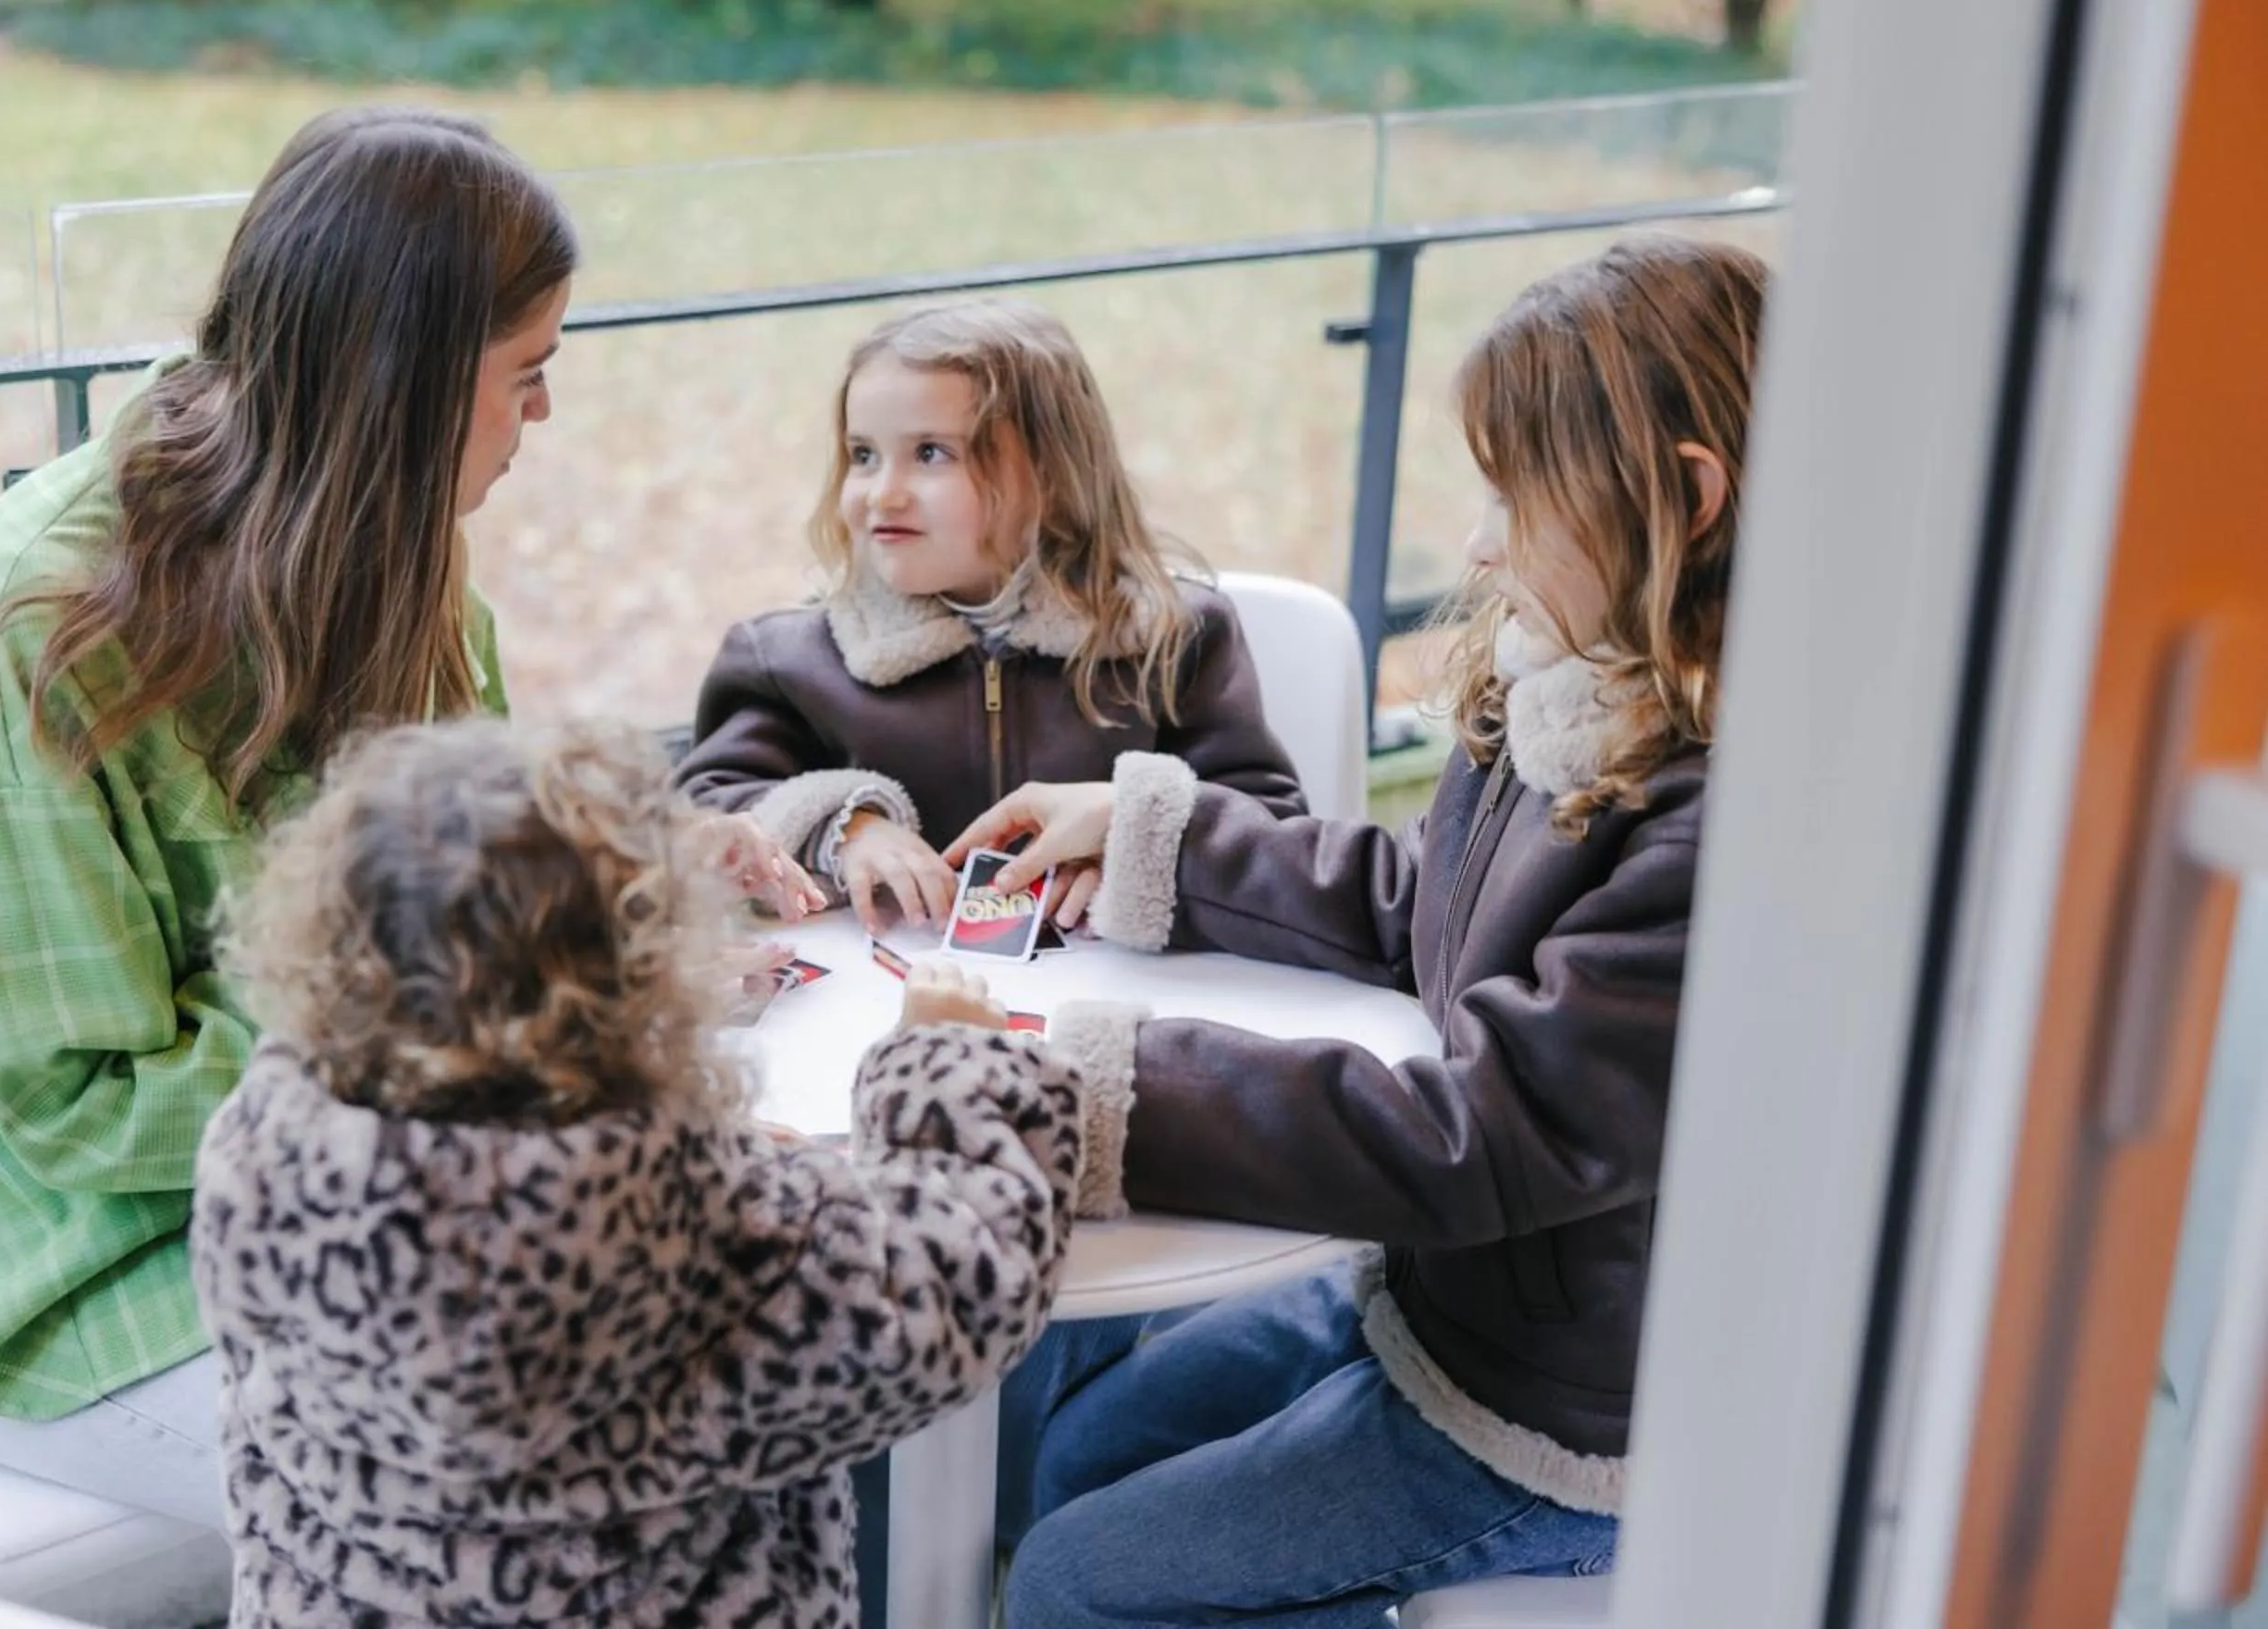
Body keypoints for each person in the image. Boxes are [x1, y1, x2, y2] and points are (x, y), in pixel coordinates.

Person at [0, 104, 812, 1524]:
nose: (547, 414)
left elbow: (449, 874)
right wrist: (496, 1026)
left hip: (353, 1180)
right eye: (527, 373)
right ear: (400, 382)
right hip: (50, 1277)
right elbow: (83, 1115)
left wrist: (612, 879)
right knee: (571, 1470)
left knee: (716, 1342)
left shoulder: (388, 540)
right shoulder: (29, 642)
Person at [952, 234, 1767, 1625]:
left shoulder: (1712, 836)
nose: (1481, 542)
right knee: (1078, 1460)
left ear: (1684, 500)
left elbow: (1482, 1135)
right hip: (1441, 1309)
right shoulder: (1574, 699)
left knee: (1079, 1587)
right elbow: (1418, 903)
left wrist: (1107, 1083)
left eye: (1522, 495)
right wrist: (1159, 829)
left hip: (1552, 1420)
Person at [192, 717, 1084, 1627]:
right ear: (632, 983)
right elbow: (949, 1296)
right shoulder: (682, 1221)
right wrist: (945, 1067)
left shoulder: (258, 1149)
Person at [676, 297, 1306, 937]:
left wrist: (1131, 844)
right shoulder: (787, 663)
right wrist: (846, 830)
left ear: (1053, 475)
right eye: (862, 454)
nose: (882, 492)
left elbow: (1268, 823)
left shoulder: (1174, 640)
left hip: (1116, 1002)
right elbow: (701, 816)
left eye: (930, 454)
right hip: (881, 1004)